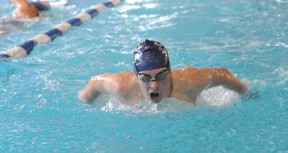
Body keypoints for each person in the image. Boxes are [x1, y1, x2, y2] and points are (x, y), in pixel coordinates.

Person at [79, 39, 249, 106]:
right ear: (136, 76)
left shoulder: (190, 83)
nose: (154, 85)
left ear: (170, 72)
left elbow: (222, 74)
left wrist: (248, 94)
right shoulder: (121, 86)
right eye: (145, 78)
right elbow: (94, 83)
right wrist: (86, 104)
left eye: (161, 76)